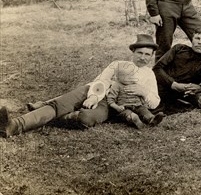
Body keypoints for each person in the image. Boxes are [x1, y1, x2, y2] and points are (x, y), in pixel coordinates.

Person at [0, 34, 161, 138]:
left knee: (85, 118)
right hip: (95, 91)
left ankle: (53, 113)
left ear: (152, 57)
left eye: (147, 54)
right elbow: (102, 80)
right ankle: (13, 126)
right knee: (61, 104)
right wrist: (93, 96)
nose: (142, 57)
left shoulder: (149, 75)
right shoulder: (118, 64)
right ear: (133, 52)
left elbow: (154, 103)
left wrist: (143, 91)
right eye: (139, 53)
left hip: (113, 106)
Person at [152, 27, 201, 112]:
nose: (200, 42)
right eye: (197, 38)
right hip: (164, 86)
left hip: (186, 92)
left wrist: (200, 87)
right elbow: (157, 68)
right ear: (192, 40)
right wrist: (173, 84)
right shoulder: (179, 49)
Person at [107, 64, 165, 129]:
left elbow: (139, 95)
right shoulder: (116, 85)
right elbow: (110, 100)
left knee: (144, 110)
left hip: (137, 105)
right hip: (124, 107)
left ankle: (152, 119)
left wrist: (142, 101)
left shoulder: (135, 83)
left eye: (132, 75)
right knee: (128, 114)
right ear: (118, 77)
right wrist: (117, 107)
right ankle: (135, 120)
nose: (131, 78)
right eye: (127, 76)